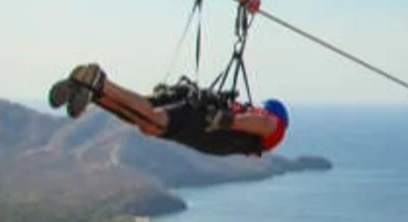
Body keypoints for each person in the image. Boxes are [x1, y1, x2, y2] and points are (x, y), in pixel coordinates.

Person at [48, 63, 288, 157]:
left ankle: (93, 92)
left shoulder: (250, 123)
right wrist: (228, 121)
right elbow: (268, 125)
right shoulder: (271, 125)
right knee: (154, 123)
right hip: (203, 117)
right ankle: (100, 84)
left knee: (145, 118)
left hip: (195, 102)